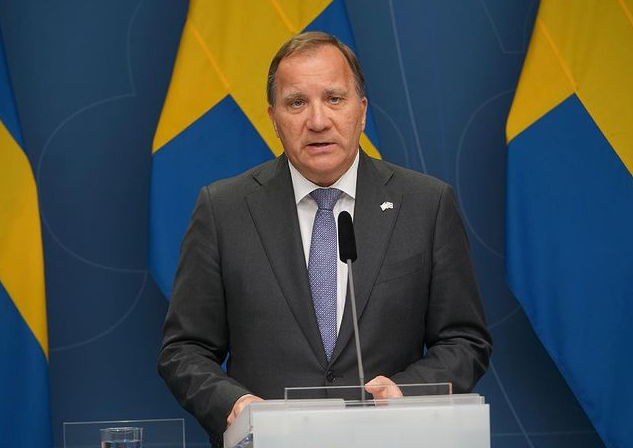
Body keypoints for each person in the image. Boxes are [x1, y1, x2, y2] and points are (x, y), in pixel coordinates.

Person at [158, 31, 492, 445]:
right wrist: (235, 404)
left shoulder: (426, 204)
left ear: (361, 111)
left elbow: (464, 339)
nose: (317, 121)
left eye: (334, 98)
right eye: (297, 103)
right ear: (274, 118)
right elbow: (184, 350)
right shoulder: (223, 209)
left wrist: (406, 394)